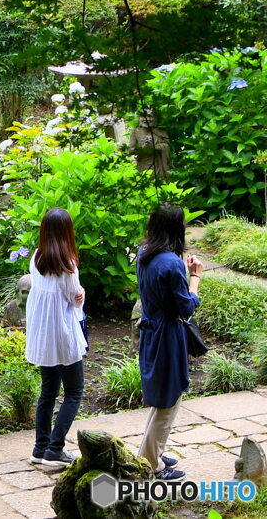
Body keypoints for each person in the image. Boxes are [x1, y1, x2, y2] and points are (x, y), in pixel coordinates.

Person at [136, 204, 203, 481]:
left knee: (162, 395)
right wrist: (196, 277)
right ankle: (151, 464)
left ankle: (151, 452)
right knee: (169, 399)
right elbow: (186, 307)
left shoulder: (144, 253)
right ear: (178, 229)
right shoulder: (172, 263)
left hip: (150, 330)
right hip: (167, 336)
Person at [25, 208, 87, 468]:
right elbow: (75, 299)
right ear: (67, 234)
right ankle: (55, 449)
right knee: (74, 391)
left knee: (48, 391)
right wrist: (82, 293)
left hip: (43, 336)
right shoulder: (68, 266)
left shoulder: (36, 258)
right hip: (62, 336)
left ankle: (40, 448)